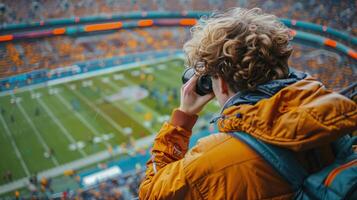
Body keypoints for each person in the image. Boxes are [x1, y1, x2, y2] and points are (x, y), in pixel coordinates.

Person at [139, 7, 357, 199]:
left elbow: (150, 193)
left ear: (222, 84)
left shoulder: (210, 160)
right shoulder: (334, 111)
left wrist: (182, 120)